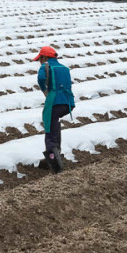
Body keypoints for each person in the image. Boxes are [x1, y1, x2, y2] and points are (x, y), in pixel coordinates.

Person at [32, 45, 75, 174]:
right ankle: (54, 156)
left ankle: (56, 166)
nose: (39, 61)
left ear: (45, 57)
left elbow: (40, 79)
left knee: (50, 131)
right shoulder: (64, 68)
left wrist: (45, 91)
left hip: (55, 100)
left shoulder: (45, 66)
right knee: (55, 126)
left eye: (40, 58)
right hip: (68, 102)